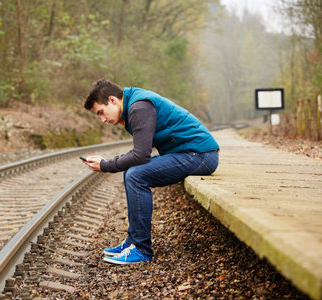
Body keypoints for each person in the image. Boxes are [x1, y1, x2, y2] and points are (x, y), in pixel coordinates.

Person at [82, 79, 219, 265]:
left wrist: (106, 165)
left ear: (113, 101)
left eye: (101, 113)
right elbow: (140, 155)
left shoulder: (139, 108)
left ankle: (141, 249)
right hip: (189, 153)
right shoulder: (134, 105)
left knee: (136, 175)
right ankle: (132, 242)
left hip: (200, 155)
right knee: (132, 172)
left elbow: (140, 155)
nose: (103, 120)